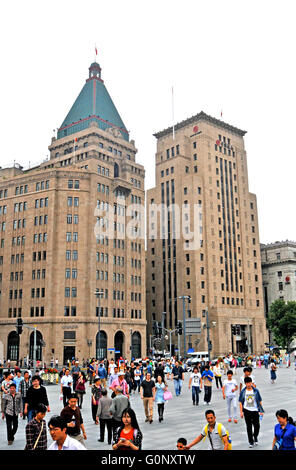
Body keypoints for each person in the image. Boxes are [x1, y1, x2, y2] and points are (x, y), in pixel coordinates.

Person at [239, 376, 264, 448]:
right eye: (247, 383)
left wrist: (261, 411)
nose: (248, 384)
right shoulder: (243, 391)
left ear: (251, 383)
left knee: (257, 426)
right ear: (245, 383)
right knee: (249, 427)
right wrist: (241, 412)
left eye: (250, 383)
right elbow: (240, 402)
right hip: (247, 411)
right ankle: (251, 441)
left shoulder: (256, 390)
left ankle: (255, 436)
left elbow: (259, 401)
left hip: (255, 410)